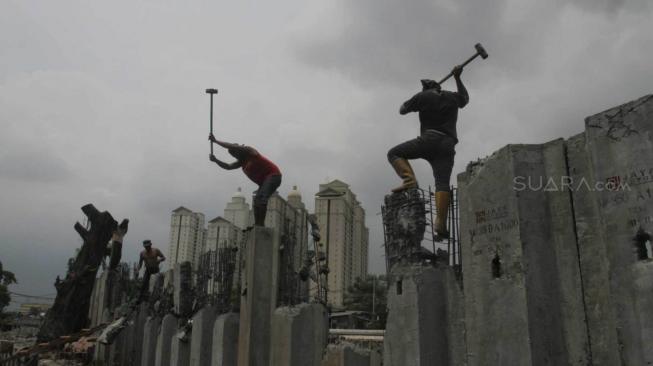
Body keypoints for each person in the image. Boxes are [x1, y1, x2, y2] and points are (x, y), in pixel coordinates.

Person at [387, 65, 469, 240]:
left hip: (428, 140)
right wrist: (457, 78)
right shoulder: (452, 97)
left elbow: (402, 109)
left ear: (426, 87)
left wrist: (418, 98)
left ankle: (409, 180)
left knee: (394, 153)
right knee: (442, 183)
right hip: (447, 144)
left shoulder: (422, 96)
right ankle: (440, 223)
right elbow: (465, 99)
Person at [209, 134, 282, 227]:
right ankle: (258, 224)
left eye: (235, 152)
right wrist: (216, 160)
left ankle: (260, 225)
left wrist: (216, 141)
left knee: (262, 198)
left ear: (239, 150)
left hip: (274, 176)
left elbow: (233, 146)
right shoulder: (241, 163)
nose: (235, 156)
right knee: (257, 200)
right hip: (264, 182)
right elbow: (228, 166)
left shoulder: (250, 151)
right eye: (233, 155)